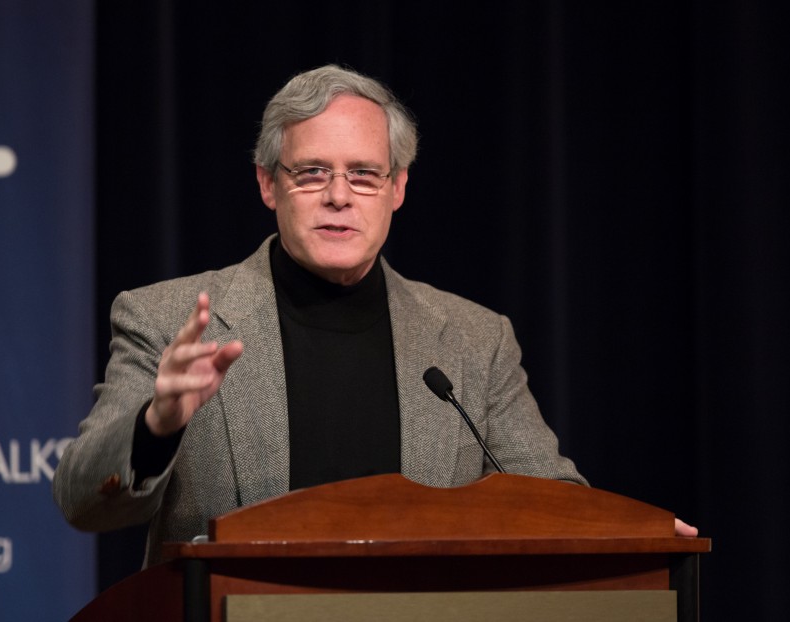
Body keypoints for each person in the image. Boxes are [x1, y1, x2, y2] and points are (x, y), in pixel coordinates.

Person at [53, 65, 694, 566]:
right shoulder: (167, 317)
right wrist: (156, 424)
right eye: (311, 173)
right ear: (267, 184)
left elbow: (546, 492)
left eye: (364, 175)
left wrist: (628, 530)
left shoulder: (472, 339)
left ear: (398, 189)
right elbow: (83, 501)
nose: (338, 196)